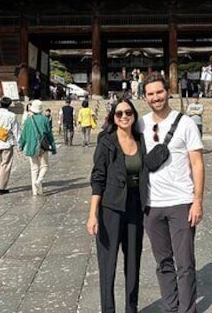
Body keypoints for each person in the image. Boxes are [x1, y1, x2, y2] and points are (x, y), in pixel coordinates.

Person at [140, 73, 205, 313]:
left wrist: (197, 201)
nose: (156, 97)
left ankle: (187, 310)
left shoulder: (186, 123)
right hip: (152, 204)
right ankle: (170, 307)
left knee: (185, 263)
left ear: (168, 92)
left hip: (181, 202)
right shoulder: (141, 124)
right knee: (163, 263)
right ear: (144, 97)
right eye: (150, 94)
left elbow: (197, 163)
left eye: (159, 92)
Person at [87, 97, 149, 313]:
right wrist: (93, 214)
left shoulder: (142, 140)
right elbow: (97, 177)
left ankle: (131, 308)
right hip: (110, 208)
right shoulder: (106, 141)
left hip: (135, 207)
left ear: (134, 116)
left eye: (128, 113)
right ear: (113, 117)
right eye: (119, 113)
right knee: (108, 264)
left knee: (133, 262)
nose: (124, 117)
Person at [18, 99, 57, 196]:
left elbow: (24, 135)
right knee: (44, 166)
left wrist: (21, 145)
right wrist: (53, 146)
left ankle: (35, 191)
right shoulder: (45, 119)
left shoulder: (27, 121)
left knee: (34, 168)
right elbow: (49, 134)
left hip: (31, 146)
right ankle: (39, 181)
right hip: (42, 146)